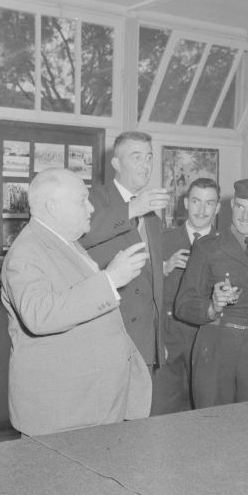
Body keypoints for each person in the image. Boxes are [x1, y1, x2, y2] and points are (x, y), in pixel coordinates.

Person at [1, 168, 152, 436]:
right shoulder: (26, 252)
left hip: (92, 401)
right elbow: (39, 315)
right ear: (53, 207)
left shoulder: (66, 242)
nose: (91, 208)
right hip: (65, 409)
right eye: (82, 201)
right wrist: (110, 280)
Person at [80, 131, 170, 414]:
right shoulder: (94, 198)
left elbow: (154, 282)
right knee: (105, 422)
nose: (145, 165)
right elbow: (81, 235)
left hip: (144, 341)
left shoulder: (152, 215)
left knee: (139, 421)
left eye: (149, 157)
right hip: (107, 337)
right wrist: (131, 208)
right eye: (136, 157)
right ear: (116, 163)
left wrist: (158, 339)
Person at [175, 178, 248, 408]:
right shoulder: (207, 246)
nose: (245, 215)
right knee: (213, 422)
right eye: (240, 206)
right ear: (232, 204)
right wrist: (212, 306)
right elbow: (183, 305)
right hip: (216, 347)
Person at [153, 177, 221, 415]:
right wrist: (163, 268)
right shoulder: (162, 240)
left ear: (217, 207)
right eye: (196, 201)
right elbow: (139, 292)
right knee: (160, 413)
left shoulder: (225, 245)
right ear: (185, 203)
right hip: (168, 340)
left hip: (206, 341)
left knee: (204, 415)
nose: (201, 210)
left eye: (209, 203)